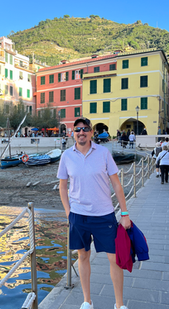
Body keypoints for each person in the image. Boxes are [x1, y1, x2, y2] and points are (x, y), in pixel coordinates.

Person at [57, 117, 131, 309]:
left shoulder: (104, 153)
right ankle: (87, 301)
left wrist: (124, 213)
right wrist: (68, 213)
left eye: (85, 129)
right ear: (73, 132)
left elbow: (116, 183)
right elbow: (63, 187)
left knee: (114, 258)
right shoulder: (66, 156)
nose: (81, 132)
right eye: (78, 129)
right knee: (82, 256)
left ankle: (120, 304)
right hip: (78, 216)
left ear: (91, 132)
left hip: (104, 215)